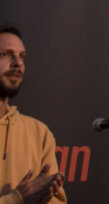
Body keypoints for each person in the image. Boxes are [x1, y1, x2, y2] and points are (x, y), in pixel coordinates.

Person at [0, 25, 64, 204]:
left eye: (21, 56)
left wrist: (43, 198)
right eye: (5, 54)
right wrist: (16, 199)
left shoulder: (39, 133)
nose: (17, 63)